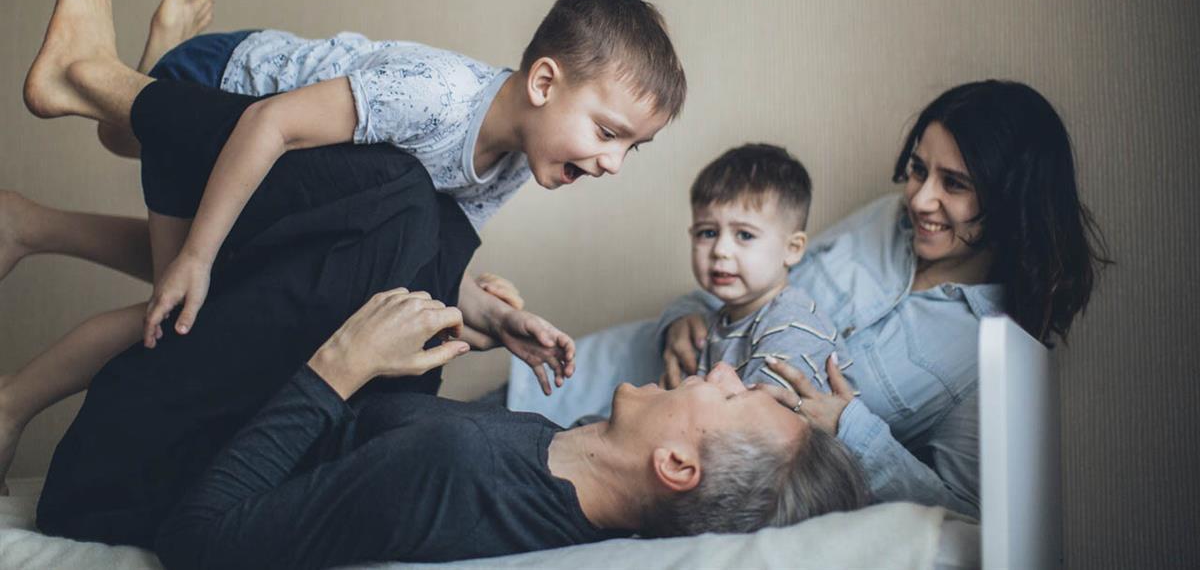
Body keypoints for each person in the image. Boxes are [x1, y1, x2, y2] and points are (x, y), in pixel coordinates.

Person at [1, 0, 686, 486]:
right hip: (225, 89)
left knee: (181, 233)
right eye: (606, 132)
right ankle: (112, 75)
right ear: (543, 83)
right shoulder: (439, 96)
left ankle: (32, 217)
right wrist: (198, 255)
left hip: (270, 165)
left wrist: (499, 320)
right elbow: (270, 124)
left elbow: (426, 258)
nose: (612, 163)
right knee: (180, 303)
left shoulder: (511, 162)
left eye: (631, 147)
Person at [517, 80, 1110, 519]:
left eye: (954, 185)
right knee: (475, 433)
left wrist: (855, 430)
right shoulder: (882, 221)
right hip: (604, 375)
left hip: (671, 465)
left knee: (499, 487)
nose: (920, 199)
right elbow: (754, 270)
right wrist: (682, 317)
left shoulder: (996, 349)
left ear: (1013, 200)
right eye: (917, 170)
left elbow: (962, 510)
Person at [153, 288, 869, 570]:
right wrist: (472, 328)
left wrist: (339, 365)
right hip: (234, 403)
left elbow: (197, 539)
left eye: (733, 396)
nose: (722, 371)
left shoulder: (459, 470)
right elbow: (364, 452)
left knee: (396, 195)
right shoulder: (568, 463)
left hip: (159, 462)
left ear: (678, 465)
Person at [684, 143, 840, 391]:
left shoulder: (791, 325)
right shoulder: (719, 321)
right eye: (708, 232)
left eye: (744, 235)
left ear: (792, 249)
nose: (720, 250)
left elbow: (762, 423)